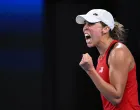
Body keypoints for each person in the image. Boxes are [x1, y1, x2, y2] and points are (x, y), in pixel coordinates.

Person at [75, 9, 140, 110]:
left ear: (105, 29)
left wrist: (90, 70)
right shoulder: (102, 57)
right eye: (85, 24)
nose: (84, 28)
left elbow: (116, 98)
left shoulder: (118, 51)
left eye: (91, 23)